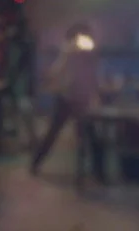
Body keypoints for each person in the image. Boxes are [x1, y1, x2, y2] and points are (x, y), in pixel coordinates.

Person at [30, 22, 106, 183]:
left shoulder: (90, 53)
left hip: (81, 100)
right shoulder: (70, 51)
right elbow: (59, 70)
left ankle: (99, 172)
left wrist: (95, 94)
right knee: (54, 132)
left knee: (90, 135)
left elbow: (93, 76)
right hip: (68, 99)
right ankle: (35, 163)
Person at [3, 6, 37, 152]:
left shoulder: (25, 42)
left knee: (24, 111)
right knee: (15, 113)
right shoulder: (18, 42)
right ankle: (23, 141)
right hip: (17, 81)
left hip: (21, 81)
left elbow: (19, 65)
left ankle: (30, 140)